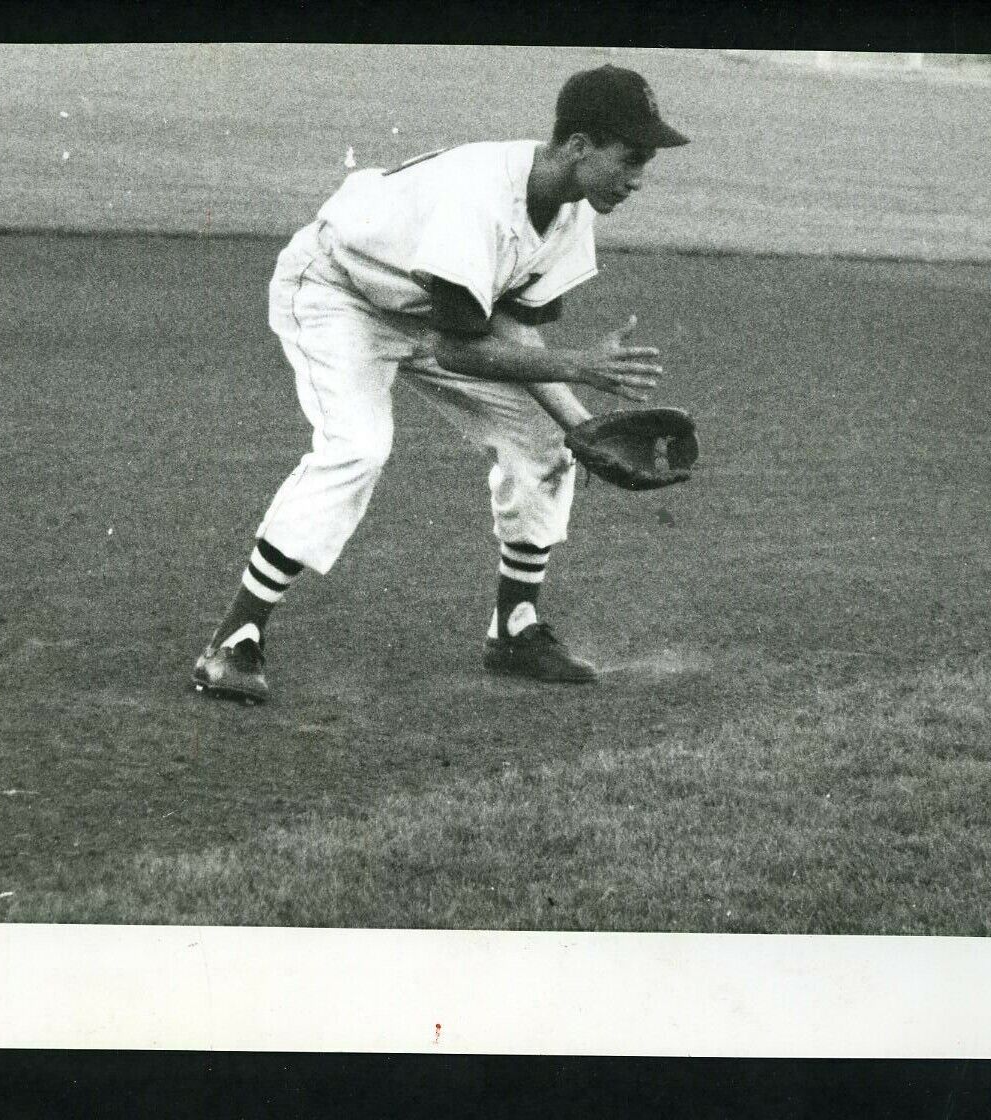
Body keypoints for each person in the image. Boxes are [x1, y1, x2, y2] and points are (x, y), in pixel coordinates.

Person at [194, 64, 689, 703]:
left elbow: (510, 326)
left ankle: (515, 628)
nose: (638, 178)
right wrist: (577, 368)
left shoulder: (571, 214)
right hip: (338, 291)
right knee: (358, 447)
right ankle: (232, 642)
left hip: (433, 313)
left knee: (541, 441)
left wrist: (578, 424)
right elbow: (460, 349)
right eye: (631, 157)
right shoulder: (483, 197)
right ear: (577, 146)